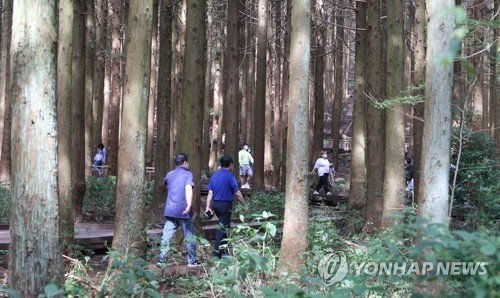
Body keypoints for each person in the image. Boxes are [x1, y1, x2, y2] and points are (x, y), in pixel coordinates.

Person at [158, 153, 203, 267]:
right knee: (189, 235)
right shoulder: (188, 174)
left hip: (170, 210)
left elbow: (166, 186)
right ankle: (192, 261)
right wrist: (188, 205)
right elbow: (188, 189)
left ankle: (161, 260)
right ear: (185, 162)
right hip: (183, 210)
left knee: (166, 235)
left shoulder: (169, 174)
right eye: (187, 162)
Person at [205, 156, 248, 258]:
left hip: (215, 204)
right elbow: (237, 193)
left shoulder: (215, 175)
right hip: (225, 205)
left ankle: (225, 250)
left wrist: (208, 206)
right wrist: (245, 205)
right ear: (230, 164)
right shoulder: (230, 176)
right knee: (222, 228)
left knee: (226, 226)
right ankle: (216, 254)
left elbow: (210, 192)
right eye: (232, 164)